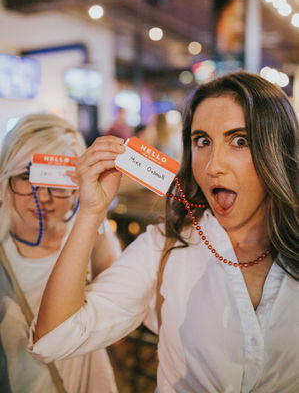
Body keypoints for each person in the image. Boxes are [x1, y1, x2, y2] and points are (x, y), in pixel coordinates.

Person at [29, 72, 299, 392]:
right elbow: (53, 339)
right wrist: (91, 212)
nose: (213, 165)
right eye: (202, 141)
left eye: (239, 140)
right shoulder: (165, 245)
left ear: (276, 149)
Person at [0, 113, 120, 393]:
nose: (42, 196)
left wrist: (95, 218)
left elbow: (117, 336)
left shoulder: (92, 234)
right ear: (7, 178)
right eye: (27, 177)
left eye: (57, 180)